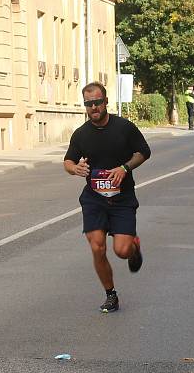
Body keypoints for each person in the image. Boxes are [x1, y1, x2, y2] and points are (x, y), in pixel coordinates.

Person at [63, 82, 151, 313]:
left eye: (98, 102)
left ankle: (134, 246)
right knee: (97, 247)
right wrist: (75, 169)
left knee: (121, 251)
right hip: (94, 199)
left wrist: (124, 168)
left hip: (122, 198)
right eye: (89, 103)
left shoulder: (124, 127)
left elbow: (144, 152)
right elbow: (68, 161)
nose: (94, 107)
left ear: (106, 102)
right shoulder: (81, 134)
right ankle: (111, 294)